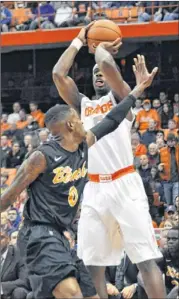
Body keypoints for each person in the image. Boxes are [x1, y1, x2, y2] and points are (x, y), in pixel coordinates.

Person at [1, 59, 152, 298]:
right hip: (39, 234)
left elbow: (112, 120)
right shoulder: (41, 157)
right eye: (79, 119)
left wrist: (138, 89)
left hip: (63, 235)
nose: (85, 121)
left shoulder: (83, 146)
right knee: (73, 294)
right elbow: (8, 197)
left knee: (93, 294)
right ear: (71, 124)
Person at [52, 26, 165, 299]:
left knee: (145, 260)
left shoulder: (123, 97)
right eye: (94, 74)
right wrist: (80, 39)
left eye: (103, 73)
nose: (99, 74)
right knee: (92, 265)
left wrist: (101, 45)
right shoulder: (82, 106)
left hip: (124, 182)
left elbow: (103, 60)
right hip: (94, 189)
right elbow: (58, 74)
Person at [0, 230, 30, 299]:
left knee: (19, 292)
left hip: (10, 294)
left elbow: (24, 280)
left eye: (1, 238)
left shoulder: (20, 254)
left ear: (8, 240)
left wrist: (1, 287)